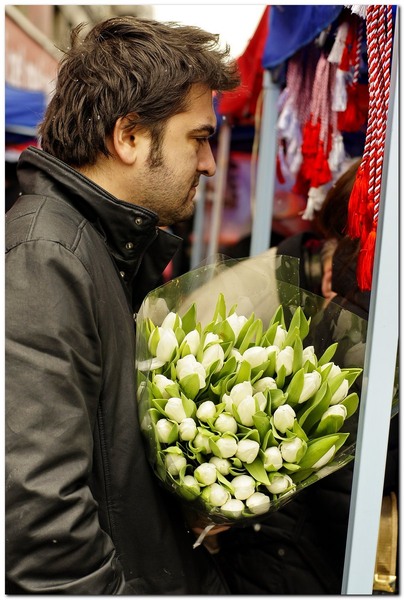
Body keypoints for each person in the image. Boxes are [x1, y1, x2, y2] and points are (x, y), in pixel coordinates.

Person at [5, 16, 240, 594]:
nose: (209, 163)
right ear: (129, 136)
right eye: (199, 138)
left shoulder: (99, 245)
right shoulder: (47, 256)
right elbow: (40, 520)